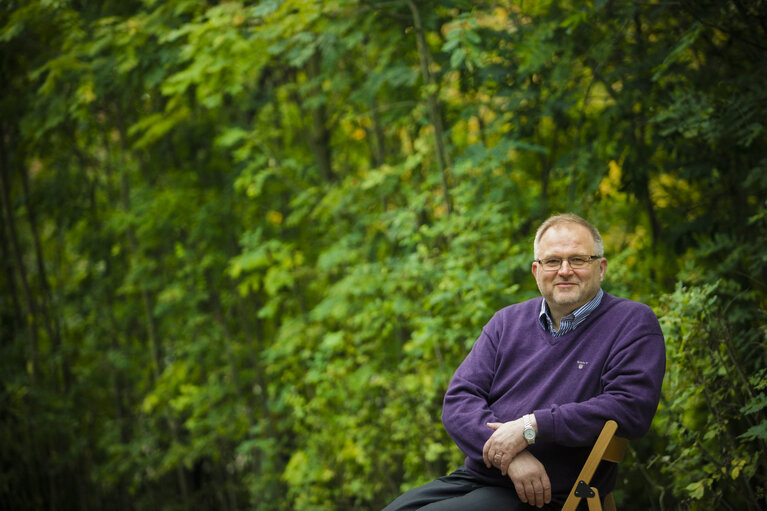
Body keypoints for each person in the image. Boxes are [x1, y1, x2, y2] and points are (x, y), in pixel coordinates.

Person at [382, 213, 666, 510]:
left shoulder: (632, 322)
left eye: (579, 260)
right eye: (553, 261)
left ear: (601, 267)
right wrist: (512, 457)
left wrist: (532, 426)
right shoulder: (507, 322)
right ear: (536, 270)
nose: (565, 270)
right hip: (483, 476)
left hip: (549, 492)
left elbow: (630, 407)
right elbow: (459, 401)